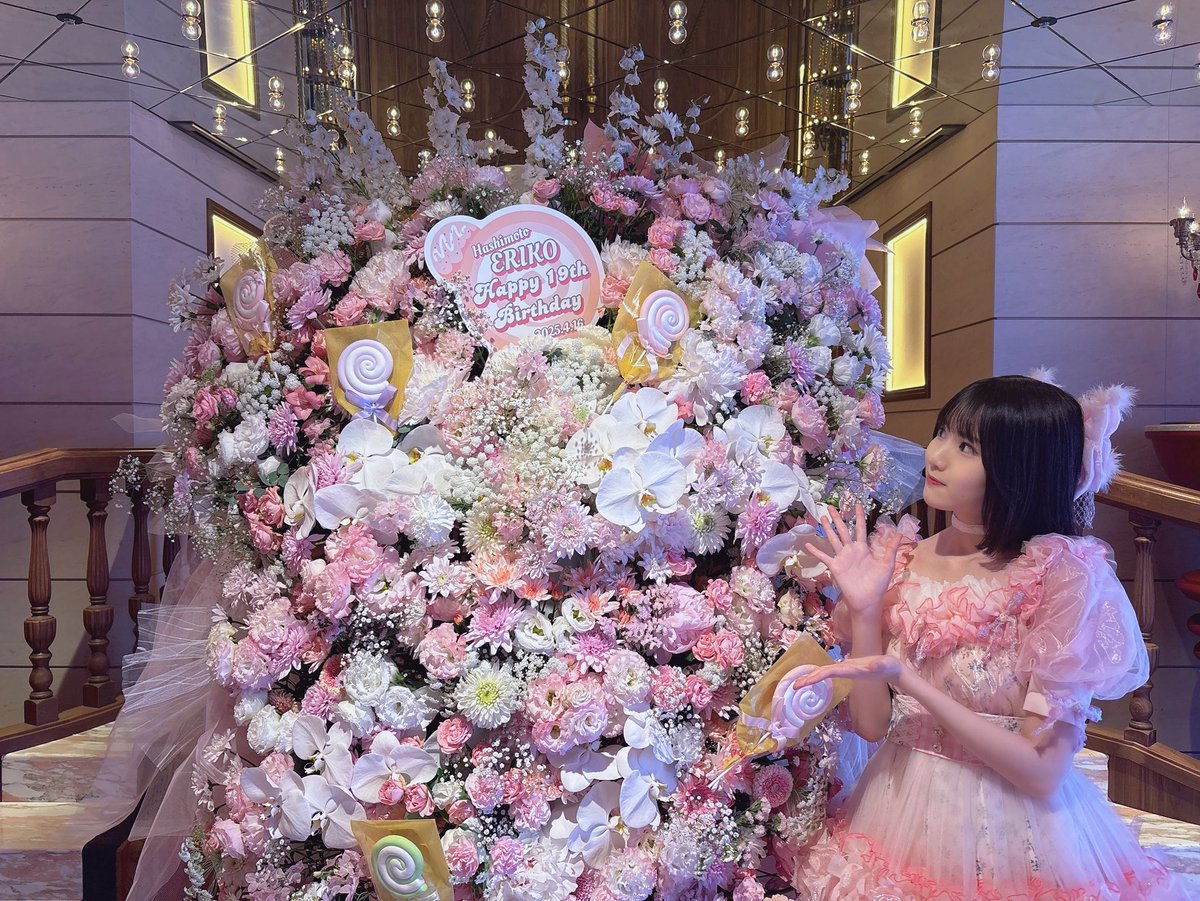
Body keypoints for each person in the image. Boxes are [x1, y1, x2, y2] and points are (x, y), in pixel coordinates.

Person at [786, 375, 1181, 899]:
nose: (936, 455)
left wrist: (910, 683)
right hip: (897, 812)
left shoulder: (1061, 575)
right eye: (943, 432)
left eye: (966, 447)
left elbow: (1042, 773)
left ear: (1022, 468)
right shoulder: (901, 560)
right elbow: (872, 726)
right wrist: (863, 610)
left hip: (1016, 833)